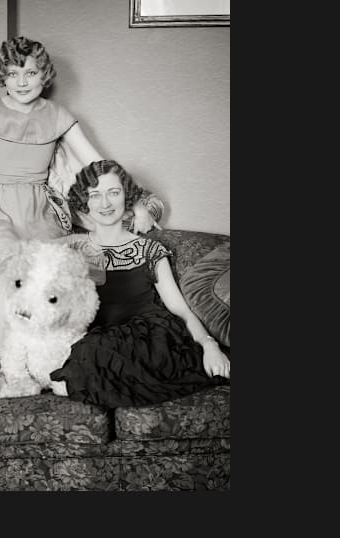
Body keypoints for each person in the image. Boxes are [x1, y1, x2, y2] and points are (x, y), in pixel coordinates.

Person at [0, 36, 161, 259]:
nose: (22, 83)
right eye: (13, 74)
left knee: (50, 268)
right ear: (3, 77)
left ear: (43, 75)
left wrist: (140, 207)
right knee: (9, 267)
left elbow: (99, 166)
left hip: (41, 208)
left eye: (31, 73)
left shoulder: (58, 115)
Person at [49, 159, 230, 408]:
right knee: (90, 350)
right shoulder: (69, 248)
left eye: (114, 193)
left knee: (93, 351)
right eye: (95, 195)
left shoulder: (149, 249)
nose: (105, 203)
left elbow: (180, 310)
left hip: (150, 338)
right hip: (100, 343)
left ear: (128, 198)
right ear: (85, 201)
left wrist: (209, 346)